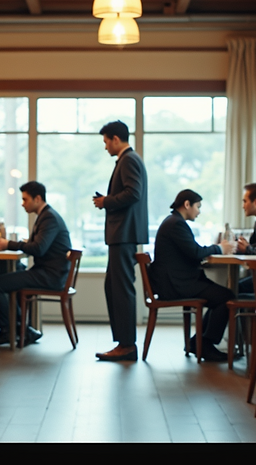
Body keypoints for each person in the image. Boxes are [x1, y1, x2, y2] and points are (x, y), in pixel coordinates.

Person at [150, 189, 236, 362]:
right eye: (198, 206)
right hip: (176, 285)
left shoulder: (173, 222)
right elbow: (195, 252)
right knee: (226, 297)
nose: (199, 211)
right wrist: (220, 248)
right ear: (187, 204)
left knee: (220, 296)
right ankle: (205, 344)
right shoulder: (176, 224)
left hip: (174, 282)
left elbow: (191, 252)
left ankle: (198, 342)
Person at [0, 181, 72, 345]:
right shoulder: (47, 216)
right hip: (52, 272)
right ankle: (22, 330)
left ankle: (8, 330)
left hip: (50, 276)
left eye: (25, 199)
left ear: (37, 198)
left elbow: (39, 249)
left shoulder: (48, 218)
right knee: (16, 272)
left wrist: (8, 244)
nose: (22, 204)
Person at [93, 120, 149, 362]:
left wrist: (106, 201)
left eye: (106, 142)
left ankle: (126, 345)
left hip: (124, 234)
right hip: (123, 234)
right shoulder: (129, 160)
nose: (105, 147)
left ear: (116, 139)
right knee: (113, 287)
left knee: (121, 288)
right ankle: (123, 342)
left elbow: (133, 193)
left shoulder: (128, 160)